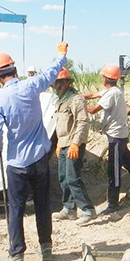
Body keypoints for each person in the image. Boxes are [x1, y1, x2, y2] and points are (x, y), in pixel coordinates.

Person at [0, 41, 68, 261]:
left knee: (16, 209)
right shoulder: (32, 86)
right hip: (40, 159)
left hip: (16, 164)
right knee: (43, 203)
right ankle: (46, 248)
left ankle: (17, 258)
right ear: (14, 69)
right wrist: (62, 54)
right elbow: (52, 72)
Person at [82, 64, 130, 215]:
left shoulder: (112, 94)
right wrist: (79, 95)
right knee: (127, 161)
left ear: (105, 78)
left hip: (116, 137)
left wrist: (78, 103)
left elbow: (93, 109)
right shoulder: (113, 90)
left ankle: (113, 204)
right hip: (118, 135)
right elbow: (94, 94)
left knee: (114, 170)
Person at [51, 67, 96, 226]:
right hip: (64, 144)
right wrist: (58, 144)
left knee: (73, 178)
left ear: (67, 83)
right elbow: (61, 125)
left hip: (73, 144)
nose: (57, 87)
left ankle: (87, 210)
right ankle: (69, 208)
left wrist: (76, 143)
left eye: (60, 83)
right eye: (55, 84)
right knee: (63, 177)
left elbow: (82, 122)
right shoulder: (61, 101)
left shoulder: (76, 99)